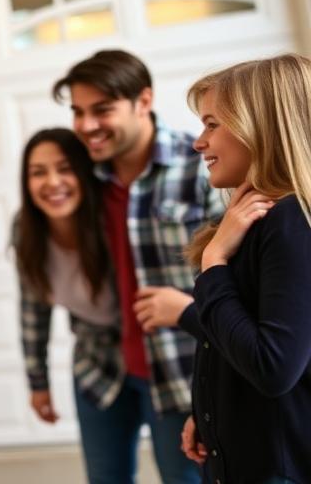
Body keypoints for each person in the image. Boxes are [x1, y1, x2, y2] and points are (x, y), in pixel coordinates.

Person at [51, 50, 223, 484]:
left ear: (143, 101)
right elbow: (44, 265)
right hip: (102, 370)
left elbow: (242, 280)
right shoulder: (81, 180)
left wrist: (185, 306)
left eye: (102, 110)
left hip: (181, 368)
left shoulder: (200, 168)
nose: (86, 126)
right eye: (78, 112)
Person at [178, 54, 311, 484]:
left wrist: (213, 264)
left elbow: (273, 368)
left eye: (212, 124)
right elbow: (237, 339)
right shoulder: (257, 219)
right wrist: (208, 411)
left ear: (263, 127)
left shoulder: (291, 222)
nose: (200, 142)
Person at [13, 128, 124, 479]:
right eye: (38, 172)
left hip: (153, 355)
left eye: (65, 168)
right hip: (94, 362)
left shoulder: (114, 216)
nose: (52, 182)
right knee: (105, 476)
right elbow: (33, 310)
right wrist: (38, 383)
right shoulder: (27, 229)